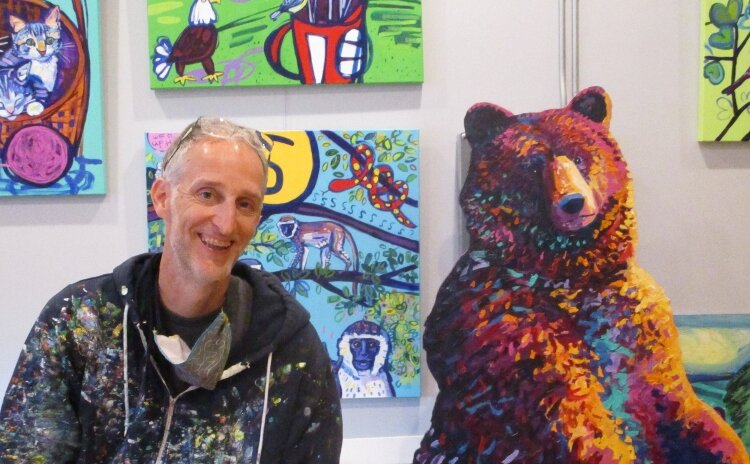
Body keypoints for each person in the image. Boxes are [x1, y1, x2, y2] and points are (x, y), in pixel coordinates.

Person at [0, 117, 343, 463]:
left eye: (245, 204)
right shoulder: (81, 321)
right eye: (207, 194)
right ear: (162, 197)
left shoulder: (293, 352)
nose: (226, 224)